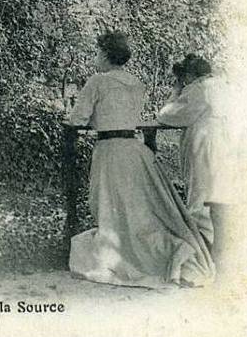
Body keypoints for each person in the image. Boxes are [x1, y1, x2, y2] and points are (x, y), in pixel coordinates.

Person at [66, 31, 214, 288]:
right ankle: (156, 251)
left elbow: (78, 119)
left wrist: (75, 118)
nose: (96, 59)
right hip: (135, 150)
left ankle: (122, 254)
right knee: (133, 211)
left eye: (97, 53)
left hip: (110, 151)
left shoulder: (97, 81)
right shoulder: (136, 83)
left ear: (105, 55)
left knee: (110, 208)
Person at [157, 54, 232, 266]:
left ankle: (203, 255)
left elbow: (167, 115)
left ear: (189, 75)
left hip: (206, 145)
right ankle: (219, 251)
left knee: (201, 196)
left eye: (183, 78)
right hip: (226, 144)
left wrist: (175, 93)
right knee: (218, 195)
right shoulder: (222, 85)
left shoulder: (200, 89)